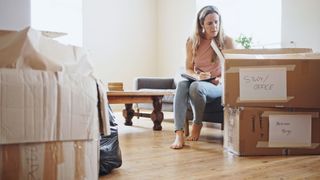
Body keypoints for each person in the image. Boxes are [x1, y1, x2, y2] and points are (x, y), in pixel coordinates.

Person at [170, 5, 235, 149]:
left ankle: (197, 123)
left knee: (195, 87)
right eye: (210, 23)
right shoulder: (193, 41)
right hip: (200, 81)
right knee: (182, 85)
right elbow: (188, 68)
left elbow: (234, 68)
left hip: (218, 84)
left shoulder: (227, 41)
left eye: (216, 22)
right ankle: (179, 134)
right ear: (202, 24)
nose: (214, 26)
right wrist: (199, 75)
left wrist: (221, 79)